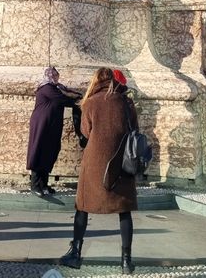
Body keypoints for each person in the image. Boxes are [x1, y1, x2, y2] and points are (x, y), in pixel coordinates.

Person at [60, 68, 138, 274]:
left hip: (95, 162)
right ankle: (126, 261)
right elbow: (135, 129)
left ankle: (75, 254)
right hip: (121, 162)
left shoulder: (91, 102)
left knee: (83, 206)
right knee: (124, 210)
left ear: (96, 81)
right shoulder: (126, 102)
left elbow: (85, 131)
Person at [26, 66, 81, 196]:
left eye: (57, 75)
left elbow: (67, 93)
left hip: (51, 125)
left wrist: (78, 97)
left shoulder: (57, 88)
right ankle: (35, 185)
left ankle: (44, 185)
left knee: (48, 152)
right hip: (42, 125)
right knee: (39, 151)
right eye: (55, 75)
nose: (57, 77)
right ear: (49, 76)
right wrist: (77, 101)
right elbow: (62, 99)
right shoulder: (46, 88)